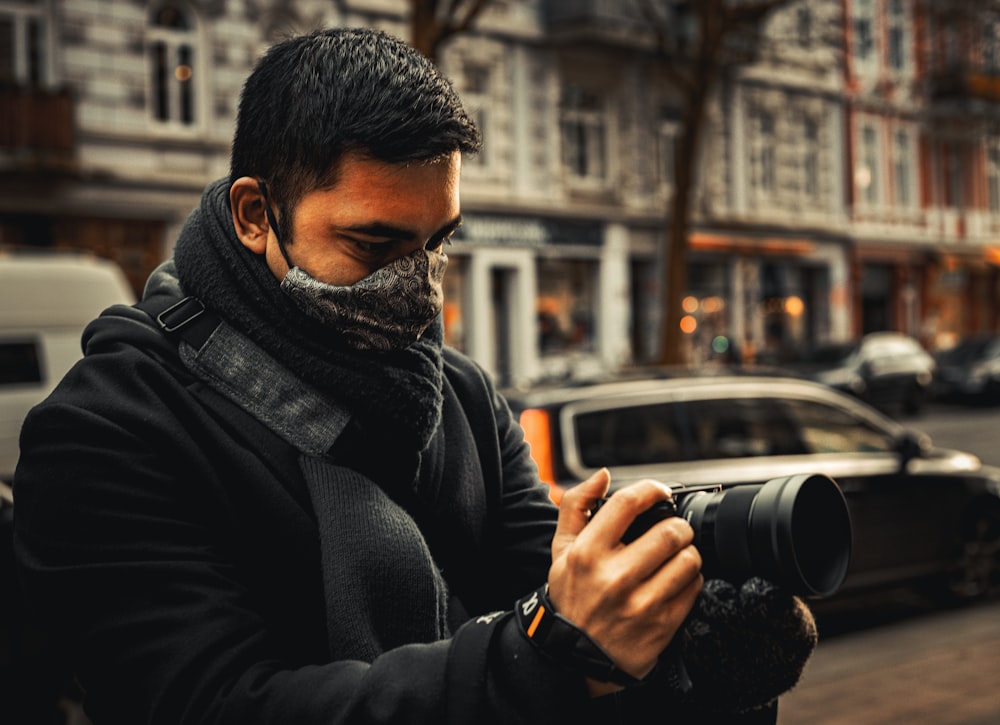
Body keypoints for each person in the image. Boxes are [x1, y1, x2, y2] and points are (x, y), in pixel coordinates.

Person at [12, 27, 817, 724]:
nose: (420, 284)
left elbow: (544, 587)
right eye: (374, 244)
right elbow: (215, 705)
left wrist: (679, 639)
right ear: (256, 215)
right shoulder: (108, 430)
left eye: (439, 243)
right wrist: (550, 656)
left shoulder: (459, 395)